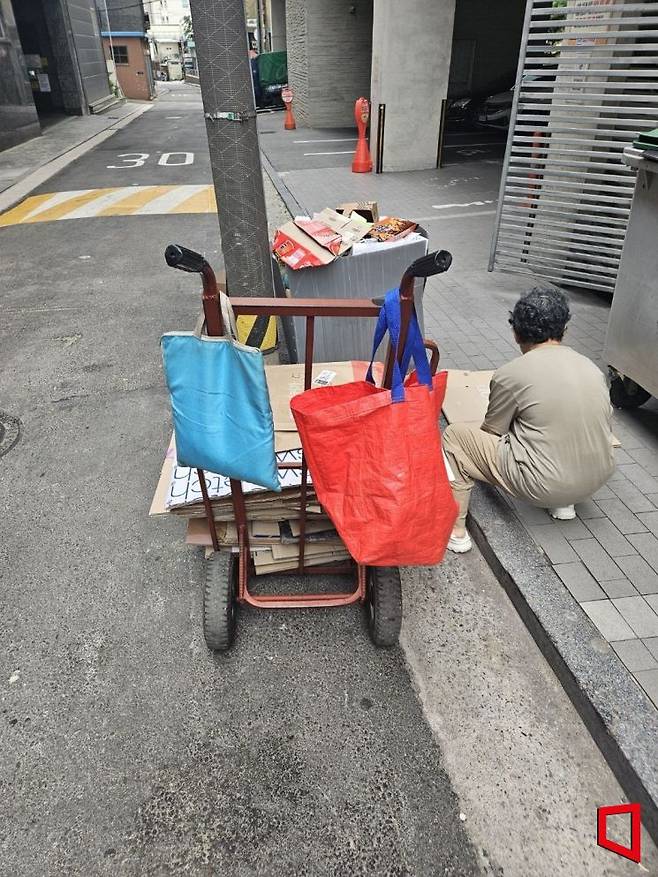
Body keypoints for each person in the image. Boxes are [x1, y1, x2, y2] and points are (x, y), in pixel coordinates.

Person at [442, 286, 615, 553]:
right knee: (558, 422)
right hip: (598, 477)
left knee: (455, 437)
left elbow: (492, 431)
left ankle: (457, 531)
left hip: (541, 485)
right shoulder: (591, 368)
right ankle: (565, 505)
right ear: (564, 331)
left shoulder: (511, 374)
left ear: (515, 333)